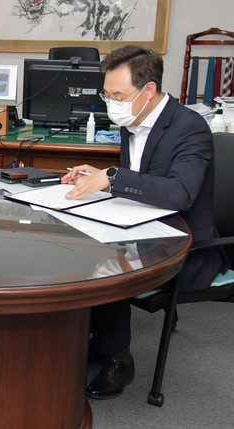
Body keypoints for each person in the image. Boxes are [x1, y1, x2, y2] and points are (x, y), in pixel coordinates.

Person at [61, 45, 229, 400]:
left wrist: (113, 176)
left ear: (148, 90)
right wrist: (100, 175)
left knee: (107, 262)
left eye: (118, 96)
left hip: (185, 244)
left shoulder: (190, 128)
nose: (111, 104)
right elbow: (141, 178)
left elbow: (181, 193)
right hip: (142, 227)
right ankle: (96, 338)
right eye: (107, 95)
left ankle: (118, 358)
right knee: (75, 241)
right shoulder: (133, 118)